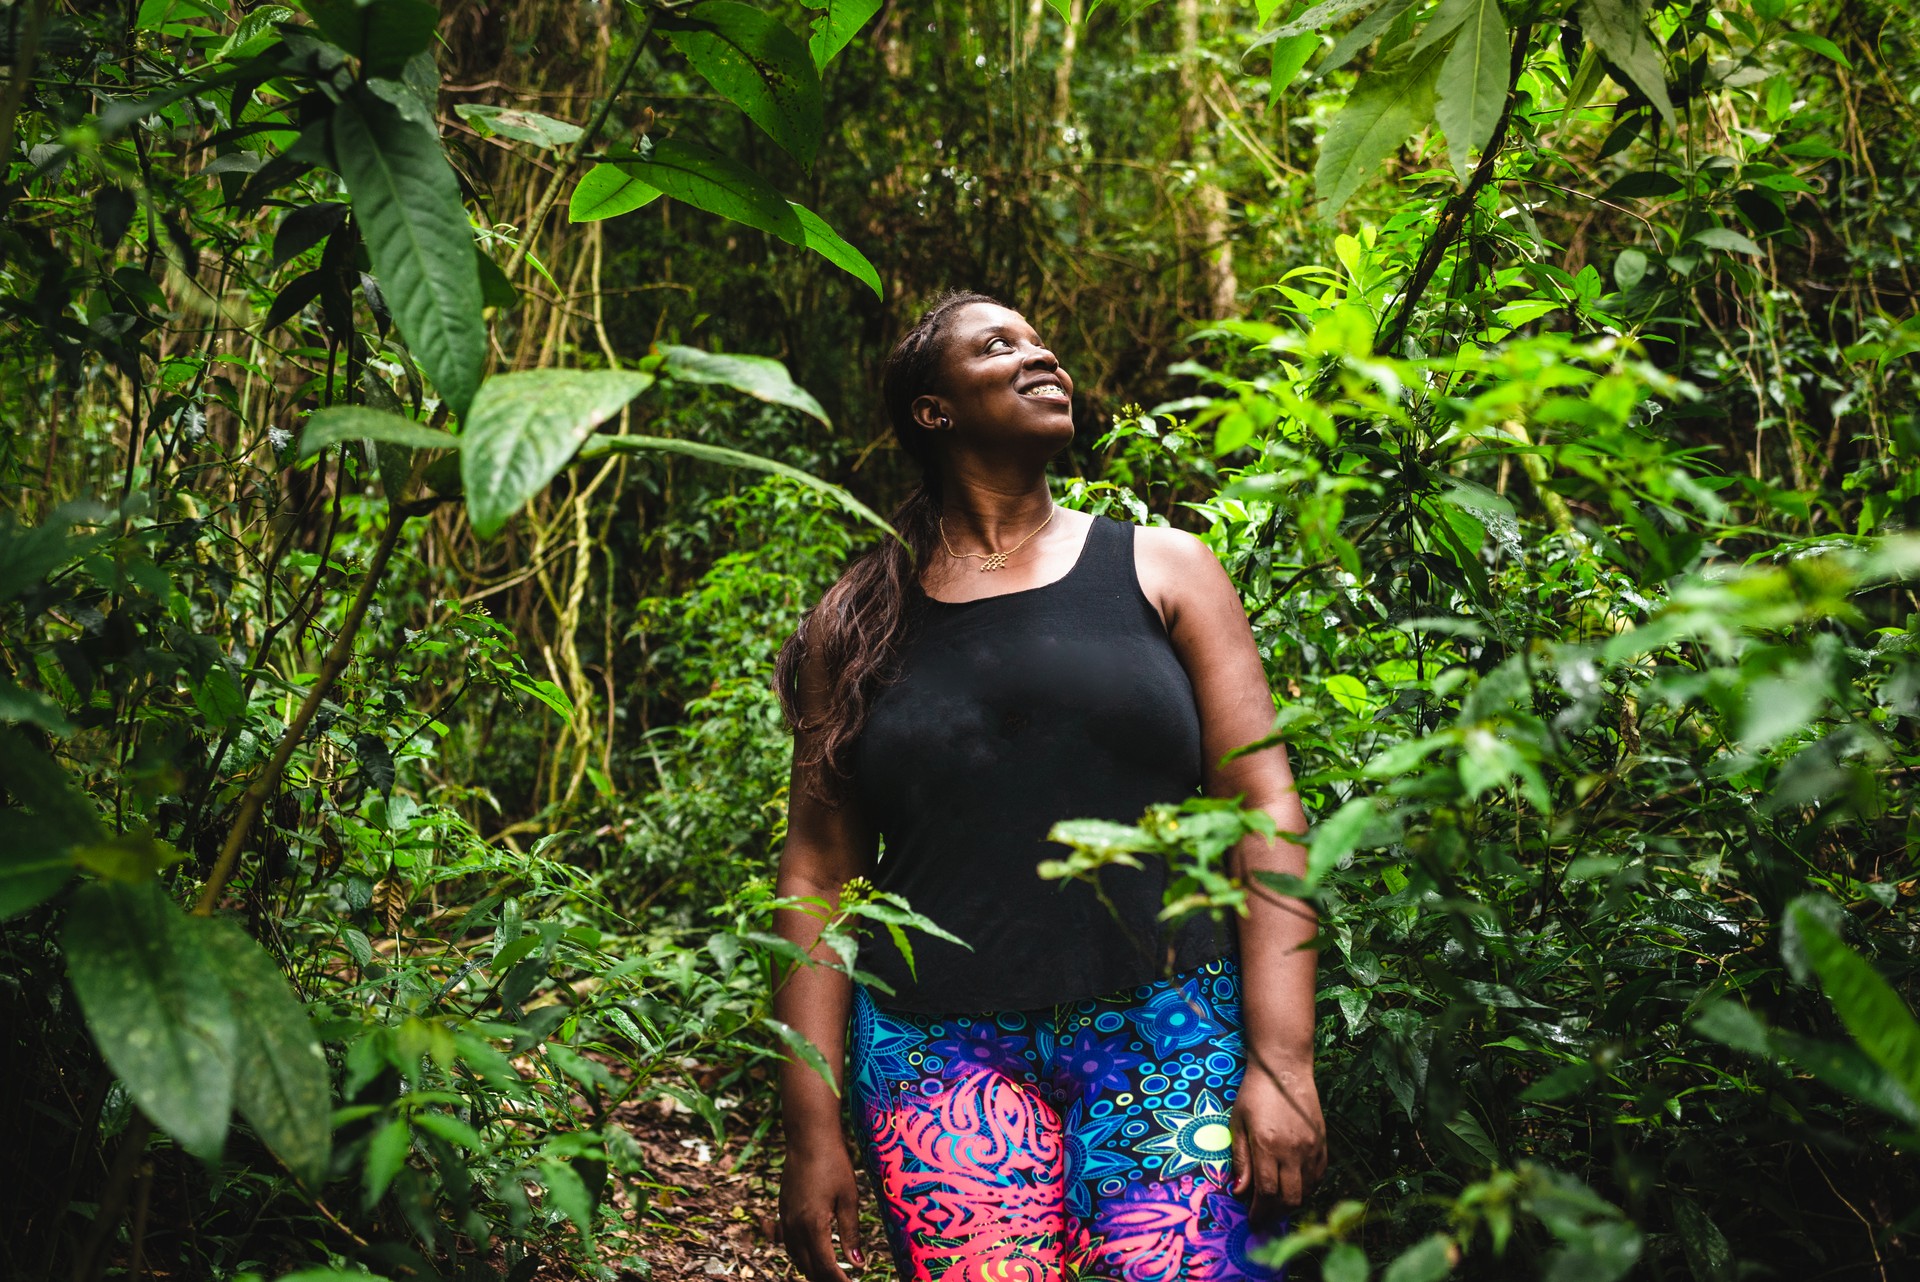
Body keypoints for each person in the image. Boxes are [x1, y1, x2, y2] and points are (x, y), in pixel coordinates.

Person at [770, 292, 1326, 1282]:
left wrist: (1284, 1062)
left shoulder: (1167, 570)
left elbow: (1264, 807)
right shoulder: (854, 622)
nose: (1041, 356)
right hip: (937, 1053)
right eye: (999, 346)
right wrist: (812, 1129)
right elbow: (820, 873)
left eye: (1042, 342)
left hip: (1171, 1032)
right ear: (932, 411)